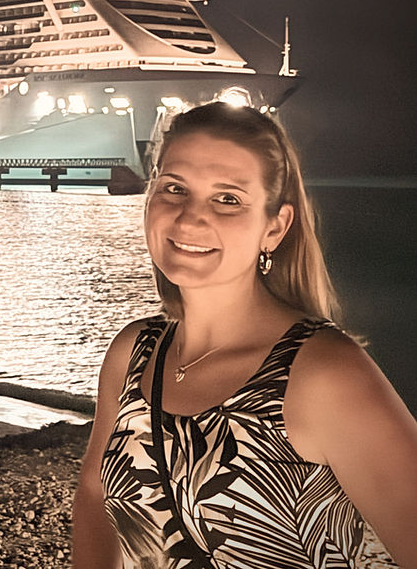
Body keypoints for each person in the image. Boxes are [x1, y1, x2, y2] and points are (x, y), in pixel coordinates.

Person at [72, 101, 417, 568]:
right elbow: (95, 496)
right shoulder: (134, 354)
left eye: (227, 198)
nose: (190, 218)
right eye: (174, 188)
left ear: (274, 227)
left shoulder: (321, 373)